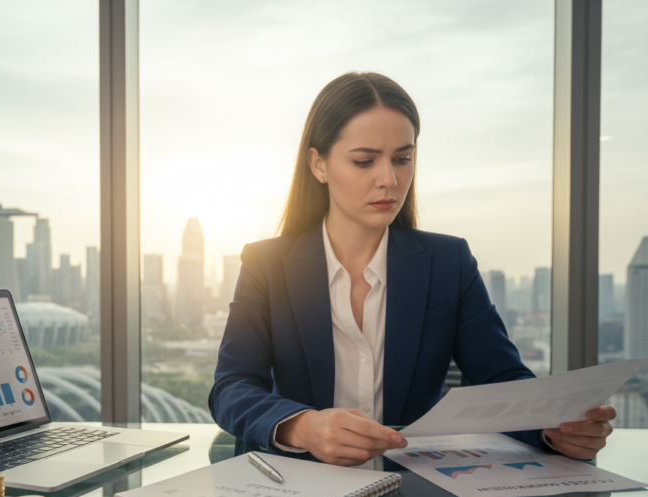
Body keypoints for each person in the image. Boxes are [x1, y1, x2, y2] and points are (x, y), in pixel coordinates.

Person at [209, 72, 616, 466]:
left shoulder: (447, 263)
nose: (390, 179)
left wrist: (553, 428)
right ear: (318, 164)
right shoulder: (267, 265)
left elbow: (501, 379)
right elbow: (232, 387)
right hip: (292, 489)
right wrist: (304, 426)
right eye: (365, 161)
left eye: (403, 159)